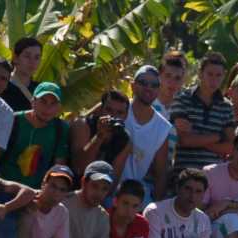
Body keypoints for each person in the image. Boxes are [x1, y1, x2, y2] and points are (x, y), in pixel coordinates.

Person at [170, 52, 234, 171]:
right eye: (210, 74)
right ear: (200, 74)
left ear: (224, 76)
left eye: (218, 75)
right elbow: (184, 140)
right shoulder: (182, 98)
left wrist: (198, 140)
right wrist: (218, 137)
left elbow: (230, 147)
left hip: (214, 176)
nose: (214, 80)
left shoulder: (226, 107)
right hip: (184, 172)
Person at [0, 82, 70, 189]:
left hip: (35, 193)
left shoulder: (61, 128)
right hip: (3, 186)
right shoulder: (14, 120)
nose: (47, 108)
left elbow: (58, 165)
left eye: (53, 103)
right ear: (33, 102)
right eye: (43, 101)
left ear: (59, 107)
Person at [122, 66, 171, 203]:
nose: (148, 88)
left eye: (154, 85)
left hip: (134, 197)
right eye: (143, 83)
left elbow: (161, 174)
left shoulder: (162, 127)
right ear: (132, 85)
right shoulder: (118, 108)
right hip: (104, 188)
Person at [70, 89, 130, 189]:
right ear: (101, 109)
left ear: (126, 115)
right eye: (109, 110)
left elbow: (113, 181)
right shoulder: (82, 125)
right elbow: (79, 168)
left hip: (99, 193)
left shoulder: (124, 139)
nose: (113, 116)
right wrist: (99, 136)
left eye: (120, 113)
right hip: (72, 187)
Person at [152, 52, 187, 167]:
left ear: (183, 81)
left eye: (177, 78)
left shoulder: (184, 111)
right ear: (159, 76)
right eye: (167, 76)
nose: (172, 82)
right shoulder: (147, 104)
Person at [1, 37, 42, 113]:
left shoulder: (40, 90)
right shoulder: (2, 86)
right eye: (27, 56)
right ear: (15, 58)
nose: (32, 61)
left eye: (37, 57)